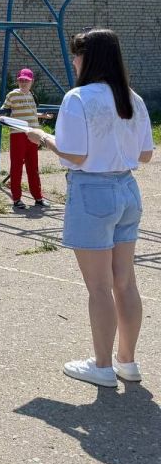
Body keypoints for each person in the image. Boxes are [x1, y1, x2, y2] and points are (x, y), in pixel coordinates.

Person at [24, 29, 153, 388]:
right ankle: (127, 361)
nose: (74, 61)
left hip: (92, 191)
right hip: (127, 189)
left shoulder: (77, 98)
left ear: (87, 58)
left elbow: (75, 154)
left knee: (98, 288)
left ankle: (101, 366)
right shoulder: (134, 99)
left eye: (77, 55)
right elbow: (145, 153)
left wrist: (44, 138)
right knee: (125, 283)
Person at [0, 68, 52, 209]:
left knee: (33, 167)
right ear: (18, 81)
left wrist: (43, 116)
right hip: (18, 133)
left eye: (26, 81)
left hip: (34, 134)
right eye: (21, 80)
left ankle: (38, 197)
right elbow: (4, 110)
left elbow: (32, 112)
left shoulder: (32, 95)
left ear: (32, 82)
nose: (23, 83)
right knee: (17, 166)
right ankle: (17, 198)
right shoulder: (12, 94)